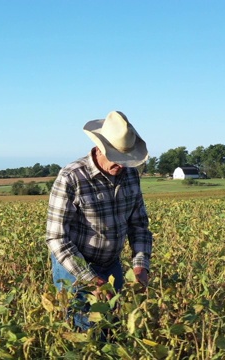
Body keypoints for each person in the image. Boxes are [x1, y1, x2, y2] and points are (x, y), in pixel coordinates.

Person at [46, 110, 153, 331]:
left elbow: (139, 226)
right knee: (85, 333)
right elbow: (56, 238)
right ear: (99, 149)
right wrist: (92, 280)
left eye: (126, 159)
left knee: (112, 328)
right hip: (75, 268)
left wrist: (141, 266)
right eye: (116, 158)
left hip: (111, 264)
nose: (121, 166)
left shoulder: (130, 175)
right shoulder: (71, 178)